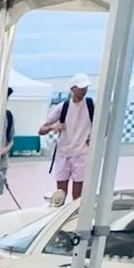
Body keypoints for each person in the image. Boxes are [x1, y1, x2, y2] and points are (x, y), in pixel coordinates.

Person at [39, 75, 94, 206]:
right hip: (63, 154)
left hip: (82, 154)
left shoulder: (92, 105)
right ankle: (59, 218)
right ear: (72, 89)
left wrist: (93, 137)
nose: (83, 90)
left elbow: (104, 124)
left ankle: (75, 219)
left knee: (78, 195)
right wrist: (53, 127)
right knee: (60, 194)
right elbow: (41, 129)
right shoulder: (62, 107)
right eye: (80, 88)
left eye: (85, 87)